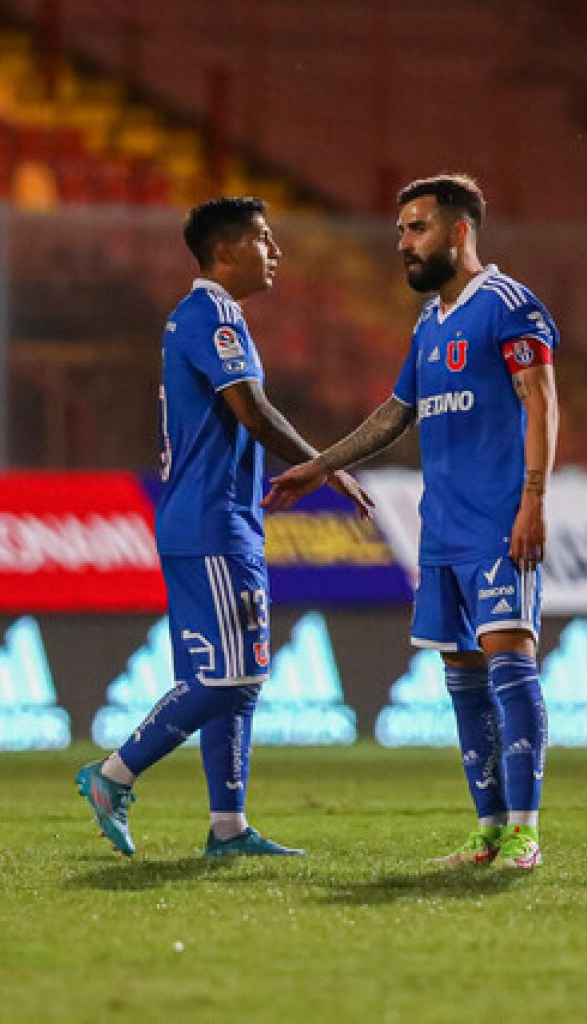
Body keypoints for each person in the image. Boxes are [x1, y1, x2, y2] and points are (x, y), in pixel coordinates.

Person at [265, 174, 559, 870]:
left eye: (417, 227)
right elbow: (396, 415)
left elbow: (542, 401)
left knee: (510, 664)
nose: (404, 242)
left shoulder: (508, 306)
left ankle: (525, 830)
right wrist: (319, 465)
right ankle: (488, 831)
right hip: (442, 531)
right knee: (461, 675)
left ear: (460, 231)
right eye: (400, 230)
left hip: (497, 522)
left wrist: (534, 500)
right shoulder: (429, 322)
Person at [76, 197, 373, 858]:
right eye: (265, 239)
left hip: (206, 516)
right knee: (231, 676)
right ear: (227, 248)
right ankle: (113, 774)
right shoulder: (211, 316)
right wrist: (327, 465)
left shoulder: (203, 316)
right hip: (212, 521)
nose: (275, 252)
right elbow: (254, 411)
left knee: (234, 678)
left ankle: (228, 828)